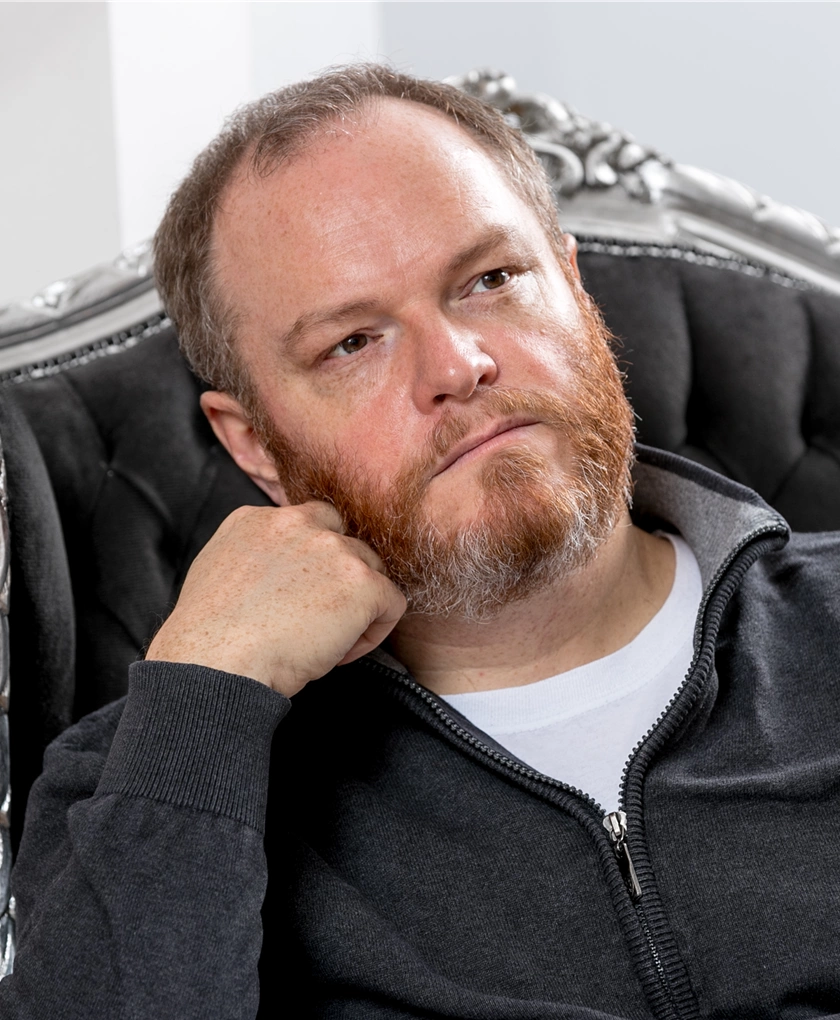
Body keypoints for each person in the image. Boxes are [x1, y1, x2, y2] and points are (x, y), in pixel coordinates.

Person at [3, 64, 840, 1019]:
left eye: (491, 280)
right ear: (254, 446)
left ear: (575, 290)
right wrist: (206, 696)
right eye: (352, 342)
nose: (458, 364)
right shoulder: (131, 787)